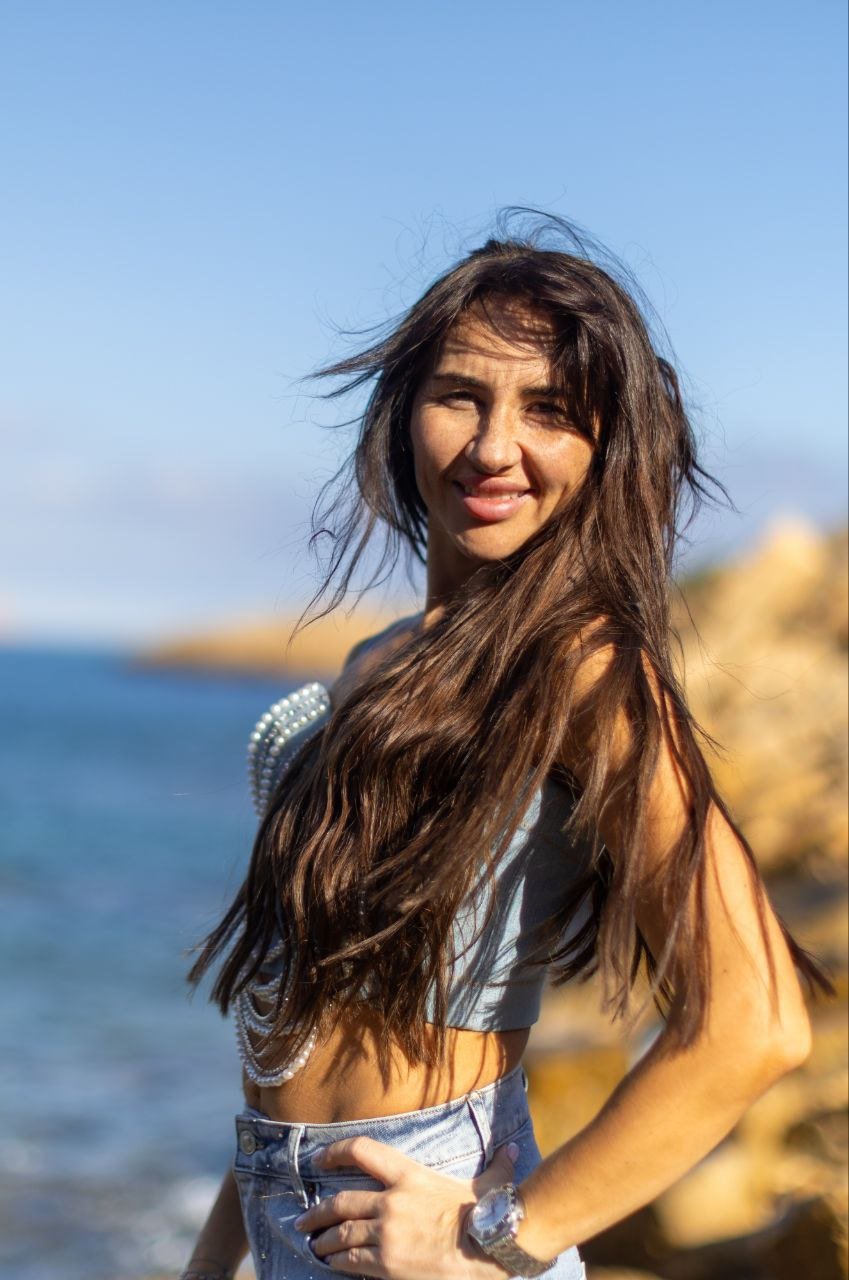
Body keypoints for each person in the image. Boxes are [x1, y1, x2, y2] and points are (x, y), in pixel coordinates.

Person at [181, 217, 832, 1280]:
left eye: (549, 411)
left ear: (604, 446)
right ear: (403, 415)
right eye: (460, 397)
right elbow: (295, 1008)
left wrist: (499, 1235)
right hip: (288, 1211)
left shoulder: (584, 673)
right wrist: (215, 1259)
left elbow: (755, 1021)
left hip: (427, 1220)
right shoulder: (381, 660)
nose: (493, 447)